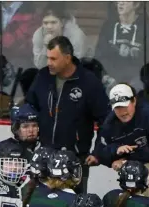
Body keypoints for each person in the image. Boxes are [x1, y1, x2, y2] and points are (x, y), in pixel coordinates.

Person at [26, 36, 110, 193]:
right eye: (47, 58)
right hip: (45, 154)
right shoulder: (43, 77)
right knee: (40, 204)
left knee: (73, 206)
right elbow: (30, 108)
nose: (49, 63)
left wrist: (98, 151)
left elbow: (106, 119)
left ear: (67, 58)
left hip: (75, 158)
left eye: (53, 59)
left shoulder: (88, 82)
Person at [94, 2, 149, 89]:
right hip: (110, 77)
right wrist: (105, 75)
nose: (121, 3)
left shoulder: (147, 28)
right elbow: (100, 55)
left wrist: (132, 53)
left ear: (136, 4)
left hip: (136, 79)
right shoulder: (108, 26)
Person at [32, 4, 88, 69]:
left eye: (53, 22)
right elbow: (40, 66)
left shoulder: (76, 36)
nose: (49, 27)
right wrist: (46, 46)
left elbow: (75, 65)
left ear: (62, 23)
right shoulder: (38, 34)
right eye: (45, 23)